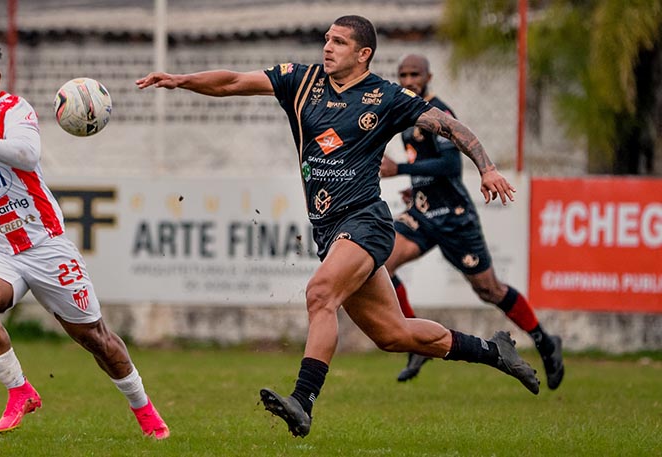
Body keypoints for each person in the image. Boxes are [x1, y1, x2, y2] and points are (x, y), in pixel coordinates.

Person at [137, 15, 540, 438]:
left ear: (363, 54)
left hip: (366, 221)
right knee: (394, 334)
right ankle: (496, 352)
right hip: (330, 231)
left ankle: (303, 400)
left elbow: (450, 126)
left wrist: (488, 169)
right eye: (327, 39)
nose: (327, 47)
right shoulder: (302, 80)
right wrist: (181, 80)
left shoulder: (386, 96)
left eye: (340, 42)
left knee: (319, 293)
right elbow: (233, 82)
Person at [0, 35, 169, 439]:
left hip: (45, 245)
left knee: (96, 339)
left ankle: (145, 410)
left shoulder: (14, 110)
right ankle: (20, 391)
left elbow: (26, 155)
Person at [380, 54, 564, 390]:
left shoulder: (439, 113)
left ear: (428, 77)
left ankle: (545, 341)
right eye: (403, 75)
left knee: (488, 289)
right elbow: (426, 163)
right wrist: (414, 186)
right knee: (382, 260)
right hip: (423, 212)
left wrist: (401, 171)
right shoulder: (406, 114)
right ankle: (413, 339)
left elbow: (450, 166)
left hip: (454, 217)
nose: (408, 81)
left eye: (414, 75)